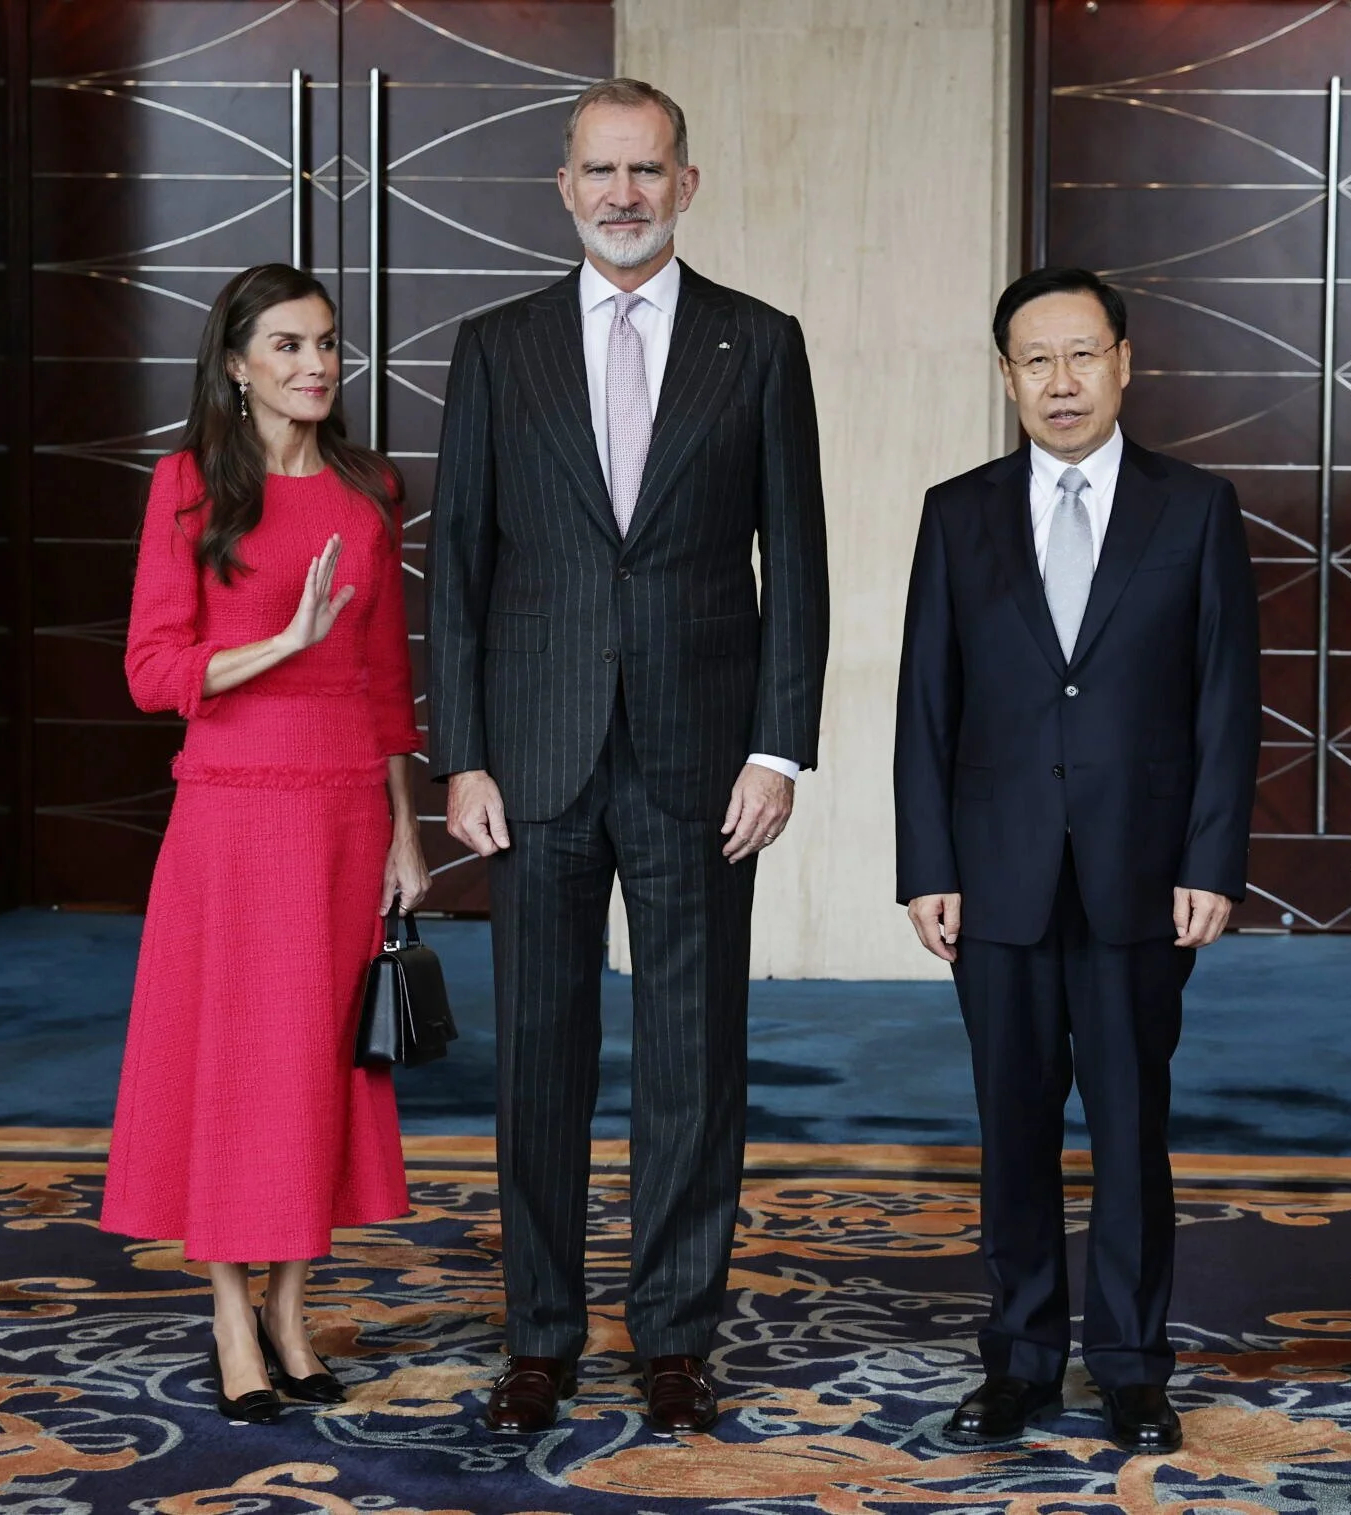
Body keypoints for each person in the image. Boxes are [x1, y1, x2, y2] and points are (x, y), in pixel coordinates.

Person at [426, 78, 828, 1436]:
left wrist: (779, 747)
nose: (622, 193)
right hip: (531, 765)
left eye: (646, 170)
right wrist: (461, 753)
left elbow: (800, 560)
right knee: (538, 1055)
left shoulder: (758, 344)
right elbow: (459, 570)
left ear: (687, 183)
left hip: (701, 760)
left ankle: (673, 1333)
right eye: (599, 170)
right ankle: (537, 1332)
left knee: (692, 1059)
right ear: (564, 186)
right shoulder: (495, 347)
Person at [894, 267, 1260, 1453]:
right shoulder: (957, 511)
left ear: (1124, 362)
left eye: (1080, 354)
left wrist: (1211, 862)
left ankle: (1132, 1365)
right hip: (993, 873)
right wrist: (924, 864)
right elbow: (925, 706)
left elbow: (1224, 702)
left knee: (1128, 1125)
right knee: (1009, 1128)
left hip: (1141, 875)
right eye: (1033, 360)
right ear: (1006, 376)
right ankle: (1020, 1356)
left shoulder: (1194, 508)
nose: (1059, 380)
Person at [102, 264, 428, 1424]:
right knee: (237, 1069)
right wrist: (284, 641)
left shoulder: (368, 488)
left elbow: (390, 686)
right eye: (286, 346)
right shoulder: (188, 486)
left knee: (315, 1069)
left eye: (327, 344)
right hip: (233, 814)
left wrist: (406, 834)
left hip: (345, 814)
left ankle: (291, 1306)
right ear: (235, 364)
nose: (314, 366)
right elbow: (153, 672)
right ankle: (232, 1317)